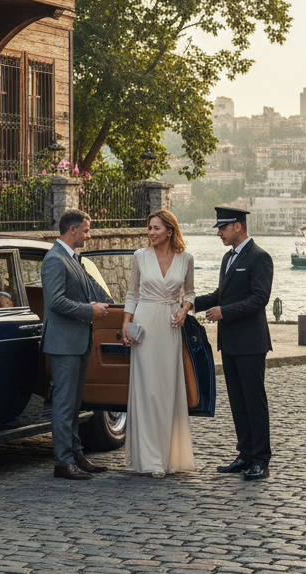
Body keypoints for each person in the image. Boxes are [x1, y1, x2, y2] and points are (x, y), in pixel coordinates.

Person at [193, 206, 274, 481]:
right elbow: (221, 294)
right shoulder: (228, 258)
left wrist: (224, 312)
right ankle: (245, 454)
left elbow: (259, 298)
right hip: (229, 343)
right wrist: (192, 302)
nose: (219, 233)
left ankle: (260, 460)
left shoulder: (260, 257)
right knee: (238, 403)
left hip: (251, 343)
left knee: (254, 401)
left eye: (222, 228)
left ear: (237, 226)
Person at [121, 209, 197, 477]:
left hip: (169, 326)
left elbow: (191, 292)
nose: (151, 233)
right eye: (149, 228)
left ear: (169, 230)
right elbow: (132, 292)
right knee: (147, 391)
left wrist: (184, 308)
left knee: (167, 391)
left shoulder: (185, 259)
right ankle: (150, 459)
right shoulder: (139, 257)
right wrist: (125, 322)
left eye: (156, 228)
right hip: (145, 324)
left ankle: (165, 458)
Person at [41, 209, 110, 481]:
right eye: (86, 230)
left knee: (74, 403)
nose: (88, 235)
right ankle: (63, 462)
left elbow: (91, 292)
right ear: (72, 229)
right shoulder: (55, 259)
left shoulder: (74, 259)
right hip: (64, 344)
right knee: (63, 404)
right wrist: (89, 311)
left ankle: (77, 455)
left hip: (77, 342)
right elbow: (55, 301)